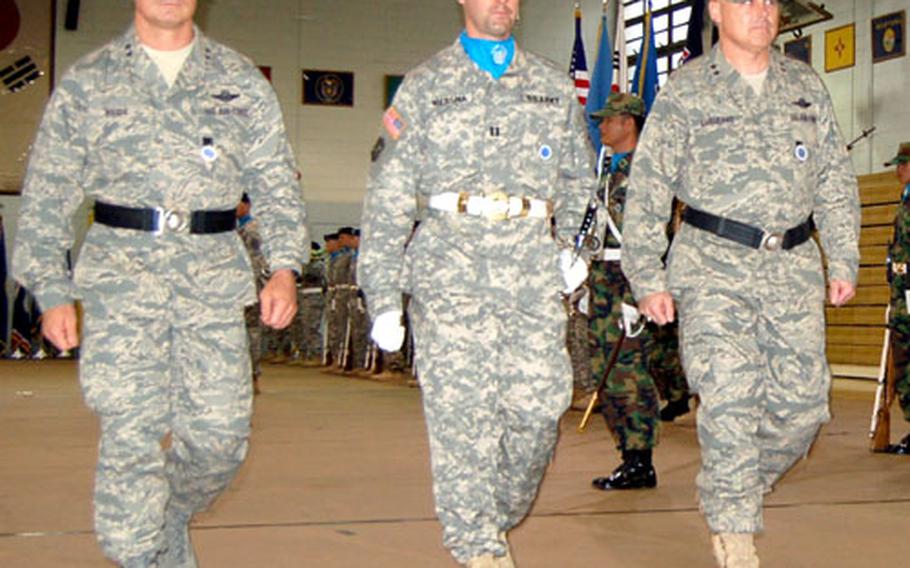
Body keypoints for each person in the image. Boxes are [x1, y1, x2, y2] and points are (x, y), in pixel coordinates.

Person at [11, 0, 307, 565]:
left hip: (211, 282)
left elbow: (275, 184)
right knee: (131, 439)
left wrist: (286, 267)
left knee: (220, 441)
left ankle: (164, 513)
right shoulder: (90, 82)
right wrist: (52, 291)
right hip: (122, 284)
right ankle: (141, 552)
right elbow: (48, 195)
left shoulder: (238, 80)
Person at [621, 0, 860, 566]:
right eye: (747, 0)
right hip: (712, 266)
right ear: (718, 10)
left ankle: (736, 486)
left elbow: (833, 177)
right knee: (729, 398)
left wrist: (844, 259)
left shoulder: (803, 85)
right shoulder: (686, 91)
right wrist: (646, 274)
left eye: (770, 1)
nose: (763, 11)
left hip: (793, 268)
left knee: (804, 407)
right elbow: (649, 189)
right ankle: (734, 534)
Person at [357, 1, 592, 565]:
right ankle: (479, 549)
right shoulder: (424, 85)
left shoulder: (550, 87)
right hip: (449, 273)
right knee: (462, 423)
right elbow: (388, 199)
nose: (502, 3)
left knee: (540, 411)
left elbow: (581, 178)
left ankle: (490, 517)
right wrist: (382, 296)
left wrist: (571, 250)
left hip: (532, 273)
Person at [587, 93, 662, 491]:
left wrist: (639, 295)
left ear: (627, 123)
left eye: (607, 120)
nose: (601, 127)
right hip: (602, 274)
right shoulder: (605, 169)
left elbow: (654, 235)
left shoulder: (646, 171)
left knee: (629, 371)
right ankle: (625, 453)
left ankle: (640, 459)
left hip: (631, 277)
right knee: (605, 369)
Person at [884, 142, 910, 455]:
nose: (898, 170)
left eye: (903, 164)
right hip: (903, 295)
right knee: (903, 361)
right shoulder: (904, 202)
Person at [237, 193, 269, 395]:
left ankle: (254, 374)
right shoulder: (235, 227)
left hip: (253, 282)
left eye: (238, 203)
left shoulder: (253, 228)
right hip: (237, 284)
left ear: (247, 205)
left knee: (252, 330)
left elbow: (259, 259)